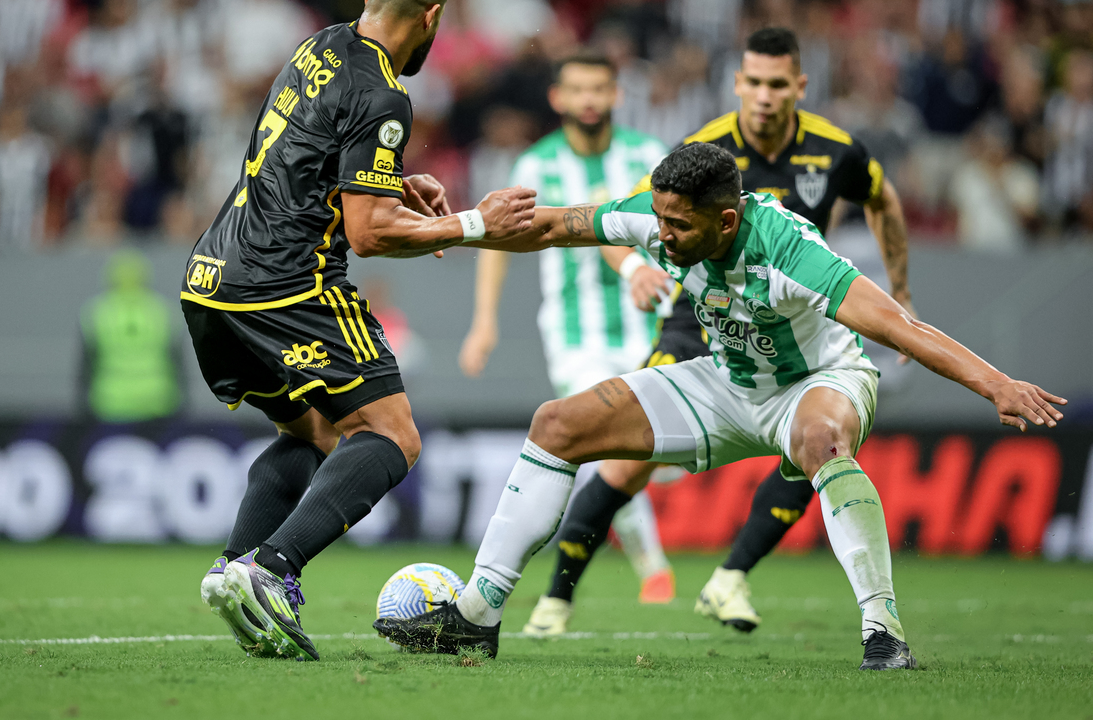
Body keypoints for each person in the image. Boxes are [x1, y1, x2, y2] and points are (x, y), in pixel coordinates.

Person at [374, 142, 1066, 670]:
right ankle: (477, 613)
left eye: (679, 225)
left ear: (727, 218)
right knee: (557, 423)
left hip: (817, 379)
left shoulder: (790, 251)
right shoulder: (657, 213)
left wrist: (996, 385)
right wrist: (457, 229)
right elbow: (553, 225)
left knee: (823, 438)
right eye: (661, 220)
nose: (663, 235)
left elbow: (900, 328)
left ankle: (883, 630)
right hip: (725, 383)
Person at [185, 0, 537, 662]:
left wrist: (390, 179)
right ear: (434, 16)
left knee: (316, 433)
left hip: (212, 276)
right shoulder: (386, 93)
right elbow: (369, 236)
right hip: (288, 285)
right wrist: (476, 224)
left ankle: (234, 567)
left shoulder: (319, 46)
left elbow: (302, 148)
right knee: (393, 435)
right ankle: (271, 570)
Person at [526, 27, 915, 636]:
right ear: (737, 83)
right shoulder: (703, 148)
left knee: (814, 446)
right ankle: (555, 600)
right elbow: (619, 218)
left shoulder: (836, 149)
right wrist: (631, 267)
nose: (763, 95)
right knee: (626, 459)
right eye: (753, 82)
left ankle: (731, 575)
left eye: (777, 83)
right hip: (698, 319)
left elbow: (883, 199)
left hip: (792, 330)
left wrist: (903, 289)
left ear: (799, 87)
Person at [459, 51, 675, 613]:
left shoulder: (647, 156)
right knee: (606, 441)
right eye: (577, 88)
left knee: (643, 447)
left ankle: (642, 548)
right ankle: (653, 567)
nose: (588, 99)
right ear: (557, 98)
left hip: (651, 320)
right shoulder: (534, 167)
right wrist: (484, 321)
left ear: (616, 95)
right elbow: (498, 243)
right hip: (575, 331)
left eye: (599, 88)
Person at [79, 250, 184, 423]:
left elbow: (86, 365)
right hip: (158, 401)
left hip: (109, 402)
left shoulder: (94, 312)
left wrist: (83, 405)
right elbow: (177, 362)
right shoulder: (164, 311)